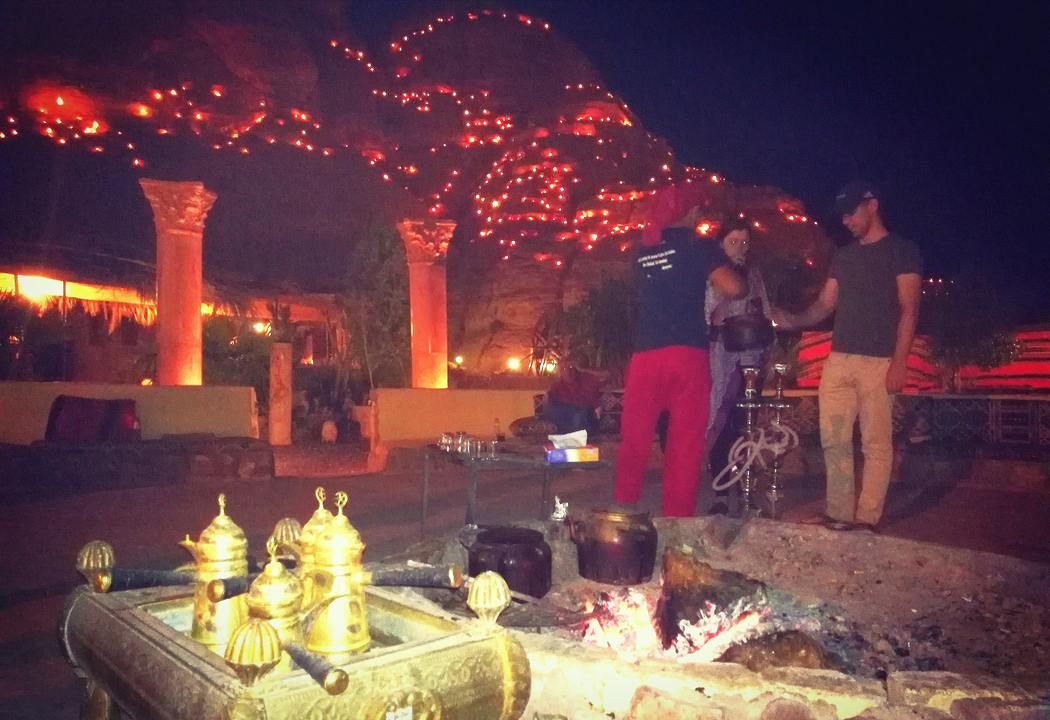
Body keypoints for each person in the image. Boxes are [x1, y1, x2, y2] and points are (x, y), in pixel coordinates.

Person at [771, 181, 921, 532]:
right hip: (839, 360)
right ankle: (839, 513)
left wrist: (900, 362)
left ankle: (867, 518)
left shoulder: (903, 250)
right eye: (842, 215)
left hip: (879, 361)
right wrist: (793, 319)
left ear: (872, 205)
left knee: (875, 443)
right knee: (834, 438)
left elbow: (909, 310)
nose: (846, 221)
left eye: (851, 212)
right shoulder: (844, 256)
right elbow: (825, 304)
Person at [614, 183, 745, 517]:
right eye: (697, 209)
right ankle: (677, 520)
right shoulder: (701, 246)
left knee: (635, 437)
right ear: (686, 212)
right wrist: (732, 267)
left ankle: (622, 513)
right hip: (688, 354)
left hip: (646, 354)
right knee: (685, 442)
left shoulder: (642, 250)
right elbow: (732, 287)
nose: (700, 215)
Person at [702, 215, 773, 514]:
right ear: (721, 244)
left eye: (744, 242)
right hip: (721, 352)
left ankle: (745, 491)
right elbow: (704, 313)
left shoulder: (754, 275)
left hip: (751, 354)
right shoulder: (713, 274)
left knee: (746, 422)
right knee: (721, 419)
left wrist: (771, 344)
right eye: (733, 242)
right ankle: (720, 493)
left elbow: (765, 311)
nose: (740, 247)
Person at [545, 361, 603, 437]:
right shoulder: (557, 386)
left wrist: (583, 369)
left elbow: (606, 375)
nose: (569, 372)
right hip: (566, 416)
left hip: (583, 415)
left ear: (576, 370)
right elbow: (549, 405)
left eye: (571, 368)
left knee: (579, 415)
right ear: (561, 372)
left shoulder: (586, 382)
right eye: (565, 369)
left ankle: (572, 439)